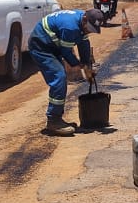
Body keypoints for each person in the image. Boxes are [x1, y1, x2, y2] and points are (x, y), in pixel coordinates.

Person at [28, 8, 102, 136]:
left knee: (60, 76)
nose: (88, 31)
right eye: (88, 28)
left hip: (52, 45)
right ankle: (53, 120)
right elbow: (66, 52)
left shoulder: (81, 20)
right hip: (41, 46)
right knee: (59, 78)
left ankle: (56, 118)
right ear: (85, 19)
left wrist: (87, 64)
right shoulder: (70, 27)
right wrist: (78, 64)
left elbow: (83, 41)